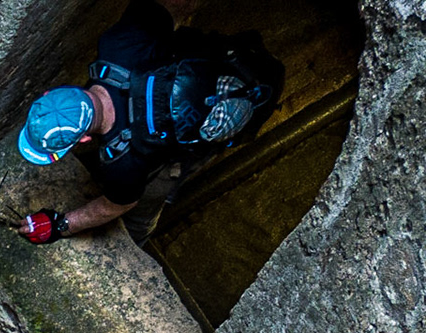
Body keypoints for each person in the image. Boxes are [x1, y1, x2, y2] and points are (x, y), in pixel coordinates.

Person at [14, 0, 281, 244]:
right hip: (244, 71)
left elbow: (117, 205)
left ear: (83, 140)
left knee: (148, 204)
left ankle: (139, 240)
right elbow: (168, 6)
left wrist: (60, 225)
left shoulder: (123, 166)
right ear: (55, 91)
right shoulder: (119, 43)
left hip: (213, 123)